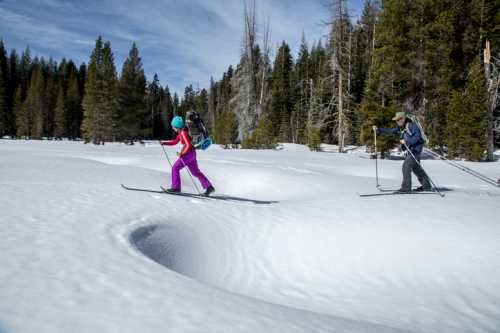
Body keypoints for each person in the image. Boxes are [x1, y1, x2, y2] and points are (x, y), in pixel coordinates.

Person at [373, 112, 432, 193]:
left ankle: (406, 188)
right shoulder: (400, 127)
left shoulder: (412, 125)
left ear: (402, 119)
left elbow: (418, 137)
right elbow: (391, 131)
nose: (397, 121)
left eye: (398, 120)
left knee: (406, 166)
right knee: (416, 168)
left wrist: (407, 141)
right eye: (396, 120)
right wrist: (379, 130)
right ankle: (427, 186)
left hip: (415, 149)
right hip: (411, 149)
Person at [161, 116, 215, 196]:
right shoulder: (181, 133)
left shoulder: (183, 133)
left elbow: (188, 145)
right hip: (192, 153)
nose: (172, 128)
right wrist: (164, 143)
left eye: (173, 126)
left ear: (177, 126)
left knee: (175, 168)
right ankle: (209, 187)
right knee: (196, 172)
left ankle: (176, 188)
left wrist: (182, 154)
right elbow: (174, 142)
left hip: (188, 154)